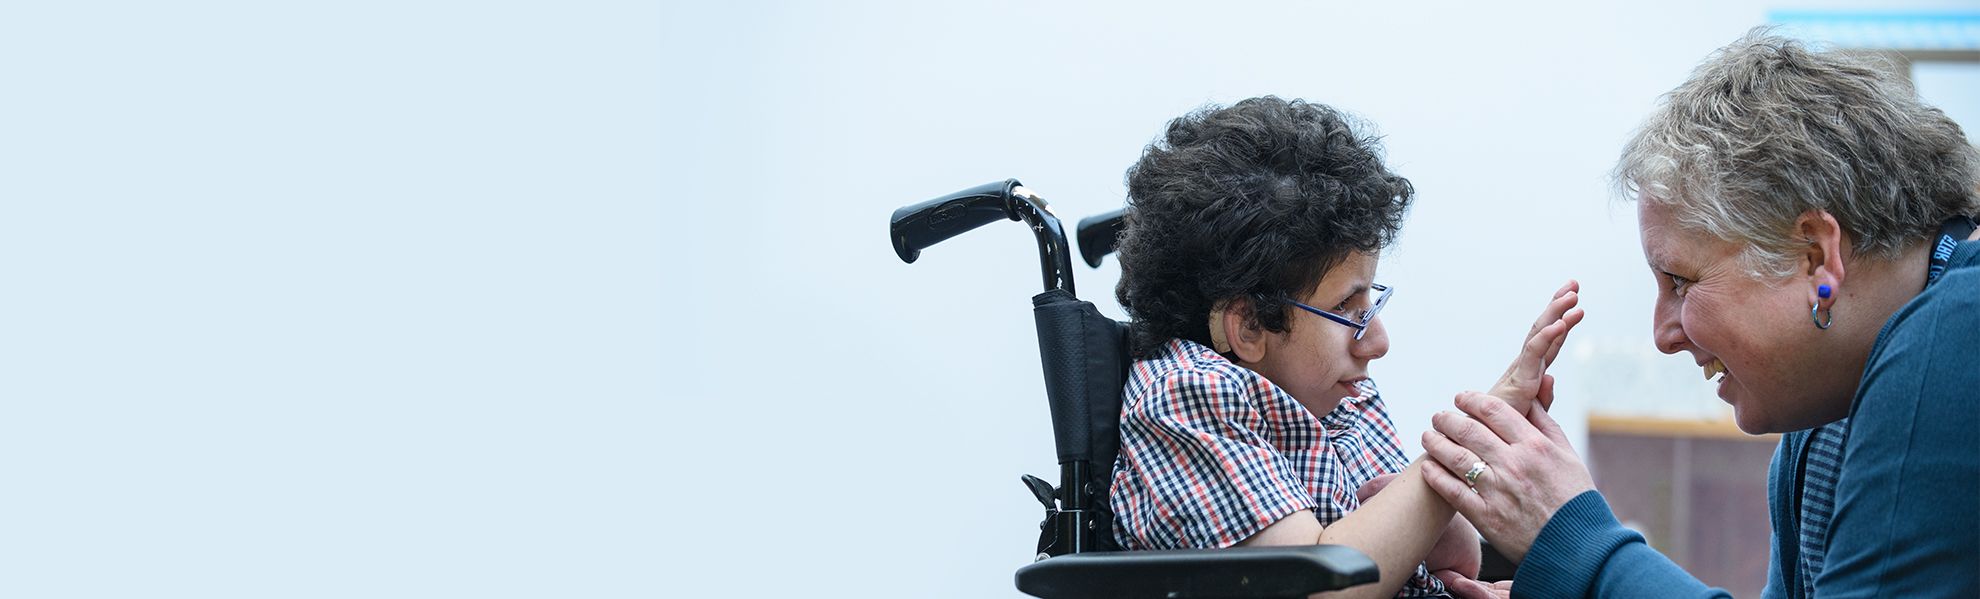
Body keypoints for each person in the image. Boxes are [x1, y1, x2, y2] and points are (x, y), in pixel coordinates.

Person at [1417, 30, 1980, 598]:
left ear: (1816, 255)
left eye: (1681, 282)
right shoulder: (1826, 408)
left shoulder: (1956, 335)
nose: (1663, 335)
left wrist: (1574, 542)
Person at [1105, 96, 1584, 598]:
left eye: (1370, 308)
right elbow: (1323, 589)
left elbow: (1459, 559)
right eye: (1349, 312)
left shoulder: (1341, 396)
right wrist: (1470, 437)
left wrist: (1456, 487)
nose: (1377, 342)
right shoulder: (1188, 397)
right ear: (1248, 327)